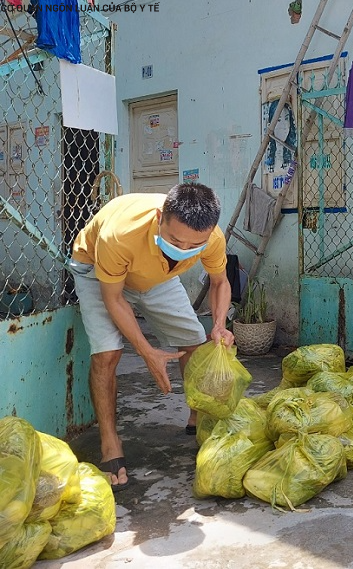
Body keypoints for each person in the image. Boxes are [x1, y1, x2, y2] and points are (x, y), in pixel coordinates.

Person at [70, 183, 235, 490]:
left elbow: (219, 282)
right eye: (175, 240)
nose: (184, 249)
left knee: (195, 342)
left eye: (193, 246)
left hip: (158, 276)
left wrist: (220, 324)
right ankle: (110, 442)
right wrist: (147, 351)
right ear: (160, 217)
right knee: (107, 354)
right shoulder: (119, 234)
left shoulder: (211, 238)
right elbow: (114, 299)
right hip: (98, 271)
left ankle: (198, 418)